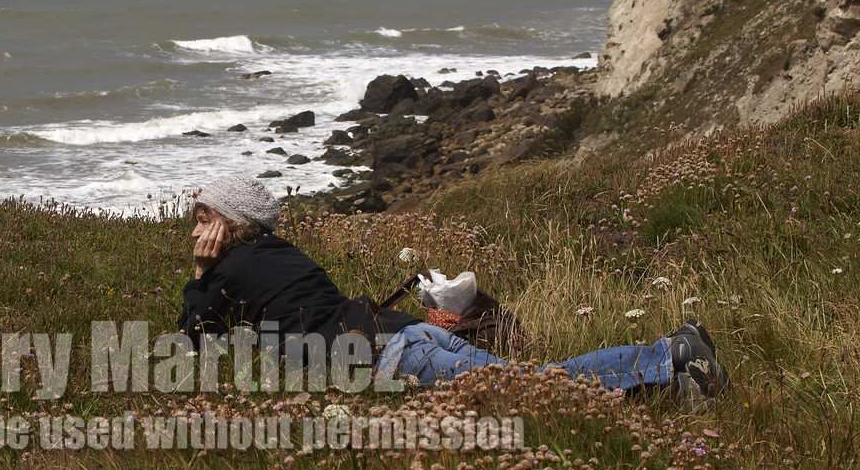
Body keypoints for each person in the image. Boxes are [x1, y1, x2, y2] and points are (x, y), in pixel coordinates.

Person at [179, 175, 728, 409]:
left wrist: (202, 276)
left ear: (232, 223)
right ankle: (676, 365)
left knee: (539, 389)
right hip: (405, 336)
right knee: (543, 380)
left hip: (390, 355)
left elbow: (198, 344)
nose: (196, 230)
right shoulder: (280, 252)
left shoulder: (231, 269)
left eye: (205, 218)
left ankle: (667, 358)